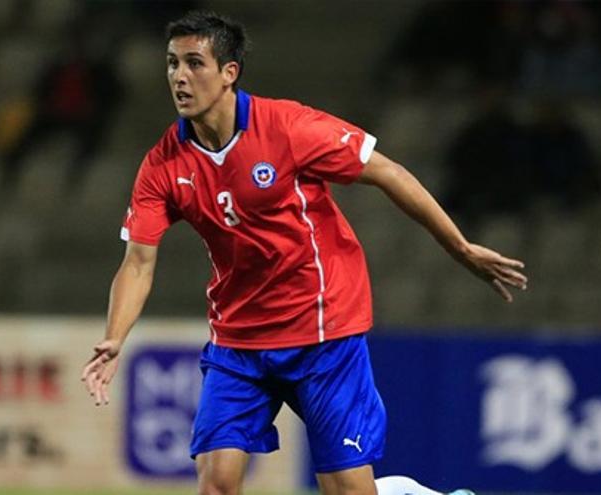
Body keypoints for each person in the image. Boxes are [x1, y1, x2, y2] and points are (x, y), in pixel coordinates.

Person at [81, 11, 528, 495]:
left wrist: (459, 248)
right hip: (239, 341)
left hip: (322, 332)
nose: (180, 77)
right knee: (217, 486)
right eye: (172, 64)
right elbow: (139, 263)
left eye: (194, 63)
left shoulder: (288, 128)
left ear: (230, 72)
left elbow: (388, 173)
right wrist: (114, 338)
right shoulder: (163, 164)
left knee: (349, 491)